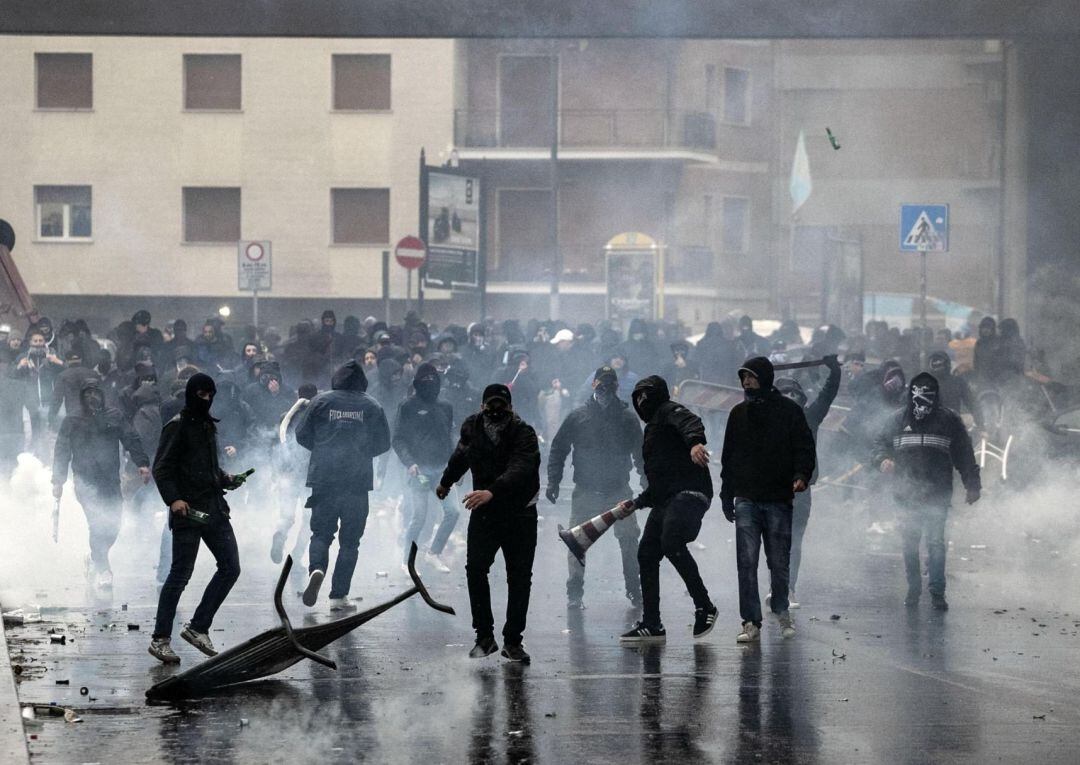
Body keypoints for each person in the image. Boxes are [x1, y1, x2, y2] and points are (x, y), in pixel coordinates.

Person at [437, 383, 540, 664]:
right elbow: (461, 455)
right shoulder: (472, 427)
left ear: (510, 407)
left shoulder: (524, 432)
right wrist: (446, 481)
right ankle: (484, 637)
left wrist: (492, 491)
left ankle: (513, 641)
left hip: (520, 513)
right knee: (476, 571)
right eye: (490, 405)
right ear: (482, 406)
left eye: (501, 405)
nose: (495, 411)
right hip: (485, 514)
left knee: (519, 577)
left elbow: (522, 468)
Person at [149, 373, 245, 664]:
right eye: (202, 395)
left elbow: (205, 467)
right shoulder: (176, 427)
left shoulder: (207, 426)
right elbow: (162, 469)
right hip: (188, 512)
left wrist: (224, 478)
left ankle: (198, 627)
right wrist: (174, 499)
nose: (207, 400)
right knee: (180, 575)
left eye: (210, 395)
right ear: (191, 395)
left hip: (213, 509)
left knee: (231, 567)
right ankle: (160, 639)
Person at [719, 356, 816, 644]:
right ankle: (750, 621)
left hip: (777, 498)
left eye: (751, 376)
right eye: (743, 377)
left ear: (764, 377)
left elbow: (804, 447)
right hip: (746, 498)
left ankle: (781, 610)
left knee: (778, 560)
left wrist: (801, 474)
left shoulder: (790, 412)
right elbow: (729, 458)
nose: (746, 382)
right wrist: (727, 495)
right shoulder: (738, 414)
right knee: (746, 562)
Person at [619, 375, 717, 644]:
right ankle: (652, 624)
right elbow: (659, 482)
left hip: (689, 492)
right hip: (667, 499)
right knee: (647, 553)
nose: (641, 402)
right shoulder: (651, 429)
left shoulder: (669, 410)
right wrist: (637, 502)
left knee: (671, 539)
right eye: (637, 397)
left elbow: (689, 422)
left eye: (645, 396)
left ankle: (705, 606)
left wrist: (696, 442)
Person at [873, 372, 981, 610]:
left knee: (935, 542)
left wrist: (972, 484)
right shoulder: (897, 420)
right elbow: (880, 443)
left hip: (938, 491)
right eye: (918, 397)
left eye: (927, 397)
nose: (922, 404)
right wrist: (883, 459)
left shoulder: (949, 420)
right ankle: (913, 588)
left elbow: (964, 453)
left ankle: (937, 592)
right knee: (910, 542)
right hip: (906, 492)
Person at [296, 361, 391, 611]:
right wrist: (361, 453)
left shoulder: (320, 401)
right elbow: (383, 443)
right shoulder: (372, 405)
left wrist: (322, 450)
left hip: (324, 480)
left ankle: (316, 569)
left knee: (321, 534)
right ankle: (338, 597)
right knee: (350, 542)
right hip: (357, 483)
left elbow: (301, 434)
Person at [547, 365, 644, 610]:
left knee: (629, 539)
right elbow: (558, 448)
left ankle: (634, 591)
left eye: (610, 384)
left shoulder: (627, 418)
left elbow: (641, 453)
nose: (605, 389)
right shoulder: (578, 416)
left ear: (617, 387)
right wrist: (553, 481)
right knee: (576, 541)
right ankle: (574, 593)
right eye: (601, 384)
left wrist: (646, 479)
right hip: (586, 491)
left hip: (618, 490)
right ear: (593, 385)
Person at [51, 380, 151, 587]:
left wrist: (142, 463)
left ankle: (95, 558)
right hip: (84, 481)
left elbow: (131, 438)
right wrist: (58, 480)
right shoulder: (72, 420)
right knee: (97, 522)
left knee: (114, 524)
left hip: (110, 480)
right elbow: (62, 449)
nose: (91, 397)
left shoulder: (114, 416)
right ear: (81, 396)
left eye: (95, 393)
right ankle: (104, 569)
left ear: (102, 395)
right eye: (87, 393)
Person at [772, 354, 841, 608]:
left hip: (800, 491)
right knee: (777, 540)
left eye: (794, 397)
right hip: (772, 490)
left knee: (793, 540)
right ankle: (779, 587)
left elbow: (828, 394)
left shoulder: (809, 417)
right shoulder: (765, 419)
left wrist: (835, 372)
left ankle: (787, 588)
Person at [392, 363, 458, 573]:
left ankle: (433, 553)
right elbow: (399, 439)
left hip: (441, 470)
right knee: (418, 516)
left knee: (453, 512)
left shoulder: (446, 406)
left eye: (433, 380)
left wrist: (455, 466)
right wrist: (409, 463)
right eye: (425, 380)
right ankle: (406, 561)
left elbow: (448, 438)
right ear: (417, 383)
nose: (429, 384)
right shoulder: (407, 406)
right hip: (418, 470)